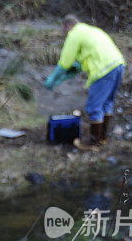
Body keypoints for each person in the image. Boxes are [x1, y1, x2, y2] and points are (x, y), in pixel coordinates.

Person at [44, 14, 125, 149]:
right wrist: (75, 69)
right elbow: (89, 56)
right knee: (107, 103)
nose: (65, 34)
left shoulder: (74, 35)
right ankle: (102, 138)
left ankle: (93, 143)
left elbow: (64, 63)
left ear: (67, 27)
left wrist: (52, 79)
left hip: (103, 70)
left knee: (94, 106)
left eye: (64, 31)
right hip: (118, 65)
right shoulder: (92, 31)